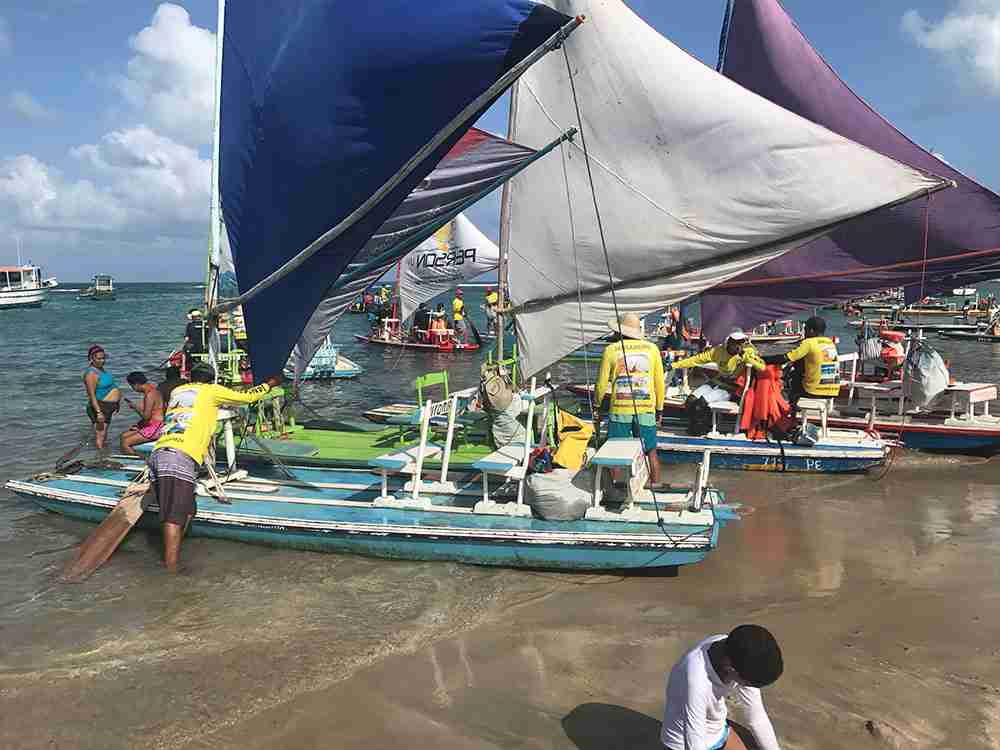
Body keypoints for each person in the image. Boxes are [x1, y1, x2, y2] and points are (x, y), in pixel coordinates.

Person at [149, 364, 282, 572]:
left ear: (191, 377)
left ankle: (171, 553)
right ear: (212, 380)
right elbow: (247, 397)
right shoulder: (211, 390)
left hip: (159, 453)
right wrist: (269, 384)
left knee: (189, 509)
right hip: (180, 455)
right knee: (175, 515)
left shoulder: (178, 391)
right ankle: (170, 569)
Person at [661, 625, 783, 750]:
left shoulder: (734, 648)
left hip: (718, 731)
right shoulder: (696, 680)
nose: (751, 688)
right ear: (730, 668)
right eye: (749, 684)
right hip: (682, 742)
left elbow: (757, 719)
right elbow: (694, 743)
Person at [594, 313, 666, 487]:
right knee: (650, 450)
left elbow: (601, 384)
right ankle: (654, 485)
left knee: (616, 451)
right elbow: (659, 383)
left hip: (620, 409)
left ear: (619, 332)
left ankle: (616, 488)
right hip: (646, 409)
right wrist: (660, 409)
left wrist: (597, 406)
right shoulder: (652, 349)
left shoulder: (611, 350)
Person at [763, 316, 839, 406]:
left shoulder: (809, 342)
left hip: (814, 391)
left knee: (794, 376)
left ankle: (793, 406)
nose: (804, 333)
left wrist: (763, 359)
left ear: (811, 330)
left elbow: (785, 358)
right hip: (833, 391)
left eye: (805, 329)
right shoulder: (829, 342)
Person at [671, 331, 765, 403]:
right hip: (717, 382)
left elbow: (762, 367)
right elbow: (696, 360)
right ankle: (694, 427)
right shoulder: (718, 351)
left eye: (741, 343)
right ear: (728, 342)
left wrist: (746, 358)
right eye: (735, 343)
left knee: (701, 403)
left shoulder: (748, 351)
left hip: (731, 388)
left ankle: (703, 426)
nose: (738, 346)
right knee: (691, 400)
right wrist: (674, 365)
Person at [83, 345, 121, 451]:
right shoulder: (91, 374)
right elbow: (91, 395)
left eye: (103, 358)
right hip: (100, 407)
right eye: (99, 358)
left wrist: (117, 403)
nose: (102, 361)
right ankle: (100, 457)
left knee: (103, 434)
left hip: (108, 407)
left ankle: (104, 453)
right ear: (91, 358)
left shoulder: (102, 370)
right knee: (100, 436)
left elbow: (111, 386)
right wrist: (99, 412)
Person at [120, 371, 165, 455]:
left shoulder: (149, 395)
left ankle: (136, 461)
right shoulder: (153, 389)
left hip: (155, 427)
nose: (133, 389)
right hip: (155, 424)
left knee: (125, 442)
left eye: (132, 386)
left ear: (136, 384)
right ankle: (131, 455)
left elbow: (146, 417)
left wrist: (135, 407)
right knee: (123, 436)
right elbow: (153, 410)